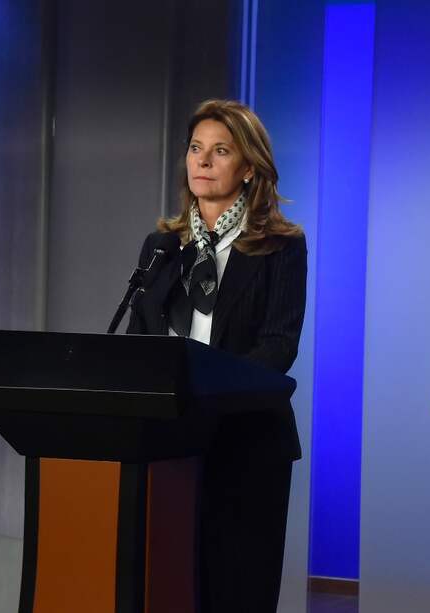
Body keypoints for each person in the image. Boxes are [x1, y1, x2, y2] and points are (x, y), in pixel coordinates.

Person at [127, 99, 306, 613]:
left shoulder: (281, 247)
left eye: (220, 151)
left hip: (247, 442)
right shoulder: (161, 245)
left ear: (249, 168)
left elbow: (278, 345)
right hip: (170, 442)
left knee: (236, 590)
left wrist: (208, 395)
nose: (202, 161)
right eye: (196, 149)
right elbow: (142, 336)